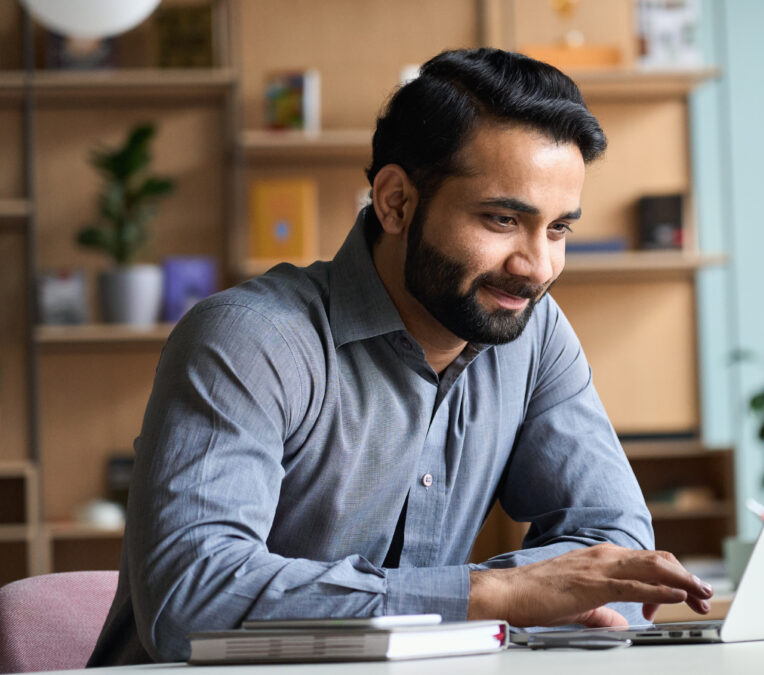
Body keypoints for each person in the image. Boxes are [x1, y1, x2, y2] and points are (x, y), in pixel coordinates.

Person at [88, 48, 712, 665]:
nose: (537, 268)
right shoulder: (249, 339)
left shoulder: (534, 332)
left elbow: (618, 546)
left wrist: (524, 596)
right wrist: (492, 595)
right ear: (395, 202)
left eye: (557, 229)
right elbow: (192, 601)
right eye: (501, 219)